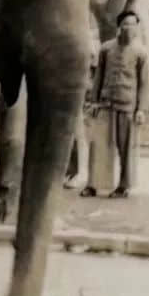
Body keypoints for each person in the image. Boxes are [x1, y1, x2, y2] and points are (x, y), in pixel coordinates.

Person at [82, 10, 149, 199]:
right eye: (126, 24)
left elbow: (145, 83)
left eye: (133, 25)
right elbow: (98, 77)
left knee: (126, 148)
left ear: (137, 29)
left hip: (128, 106)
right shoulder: (106, 49)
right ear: (119, 27)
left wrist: (141, 109)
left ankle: (123, 186)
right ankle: (93, 185)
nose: (130, 28)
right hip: (105, 104)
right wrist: (93, 101)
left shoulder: (141, 53)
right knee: (99, 146)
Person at [64, 35, 101, 189]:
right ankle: (73, 171)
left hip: (87, 106)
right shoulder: (76, 70)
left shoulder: (94, 74)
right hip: (78, 104)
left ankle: (84, 173)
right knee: (75, 138)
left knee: (83, 138)